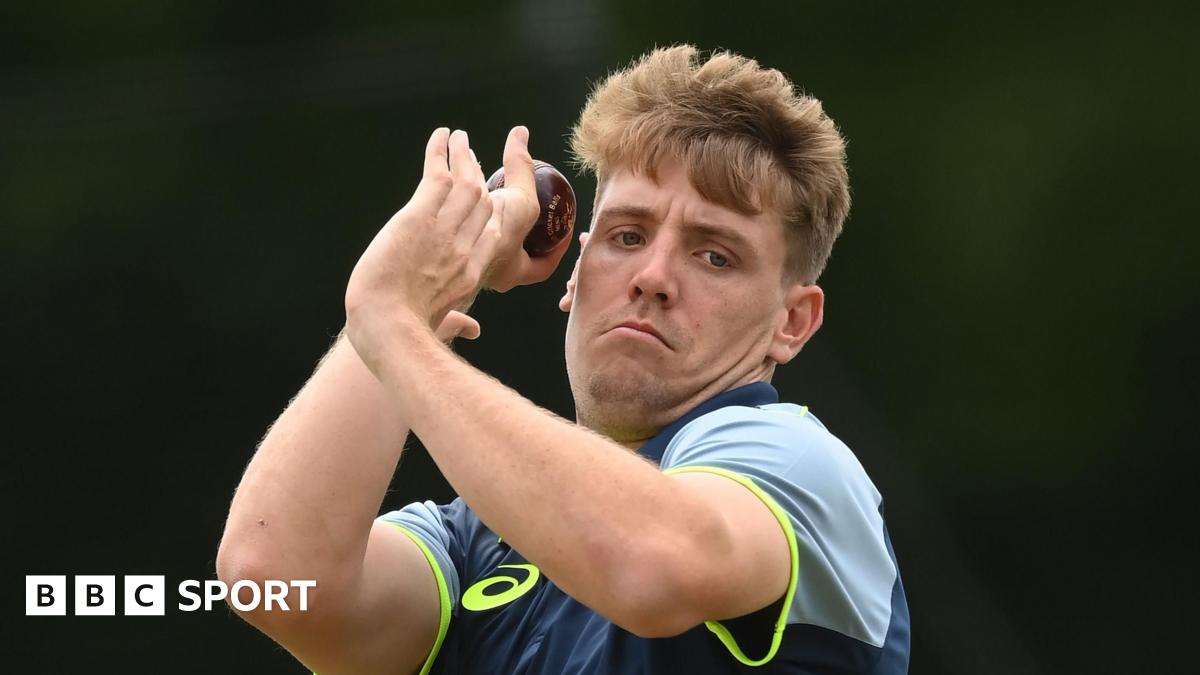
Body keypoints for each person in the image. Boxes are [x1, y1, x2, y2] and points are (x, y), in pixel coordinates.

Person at [217, 45, 910, 674]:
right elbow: (273, 577)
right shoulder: (477, 539)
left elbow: (652, 564)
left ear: (792, 322)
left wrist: (396, 326)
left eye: (714, 254)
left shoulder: (797, 462)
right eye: (627, 235)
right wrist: (409, 311)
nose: (653, 275)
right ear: (575, 276)